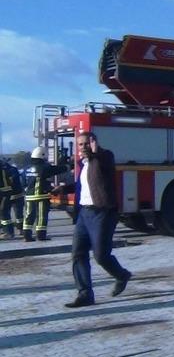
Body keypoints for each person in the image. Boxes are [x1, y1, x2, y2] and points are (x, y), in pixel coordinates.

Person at [65, 131, 132, 308]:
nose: (83, 147)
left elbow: (103, 164)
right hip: (83, 215)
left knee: (101, 256)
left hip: (102, 213)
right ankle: (85, 294)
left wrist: (97, 152)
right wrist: (63, 189)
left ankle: (121, 275)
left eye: (86, 143)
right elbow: (83, 185)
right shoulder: (83, 163)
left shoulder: (105, 157)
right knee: (78, 253)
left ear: (94, 143)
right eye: (80, 144)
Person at [23, 147, 69, 242]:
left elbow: (24, 181)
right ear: (42, 155)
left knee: (29, 215)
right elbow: (55, 170)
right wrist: (68, 166)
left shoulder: (28, 168)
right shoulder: (44, 167)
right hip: (41, 195)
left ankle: (27, 235)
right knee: (41, 216)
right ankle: (41, 235)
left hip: (29, 196)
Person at [0, 159, 25, 239]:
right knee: (6, 213)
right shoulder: (10, 169)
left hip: (15, 194)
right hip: (9, 193)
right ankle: (9, 231)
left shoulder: (11, 170)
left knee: (17, 214)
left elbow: (12, 181)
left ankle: (14, 231)